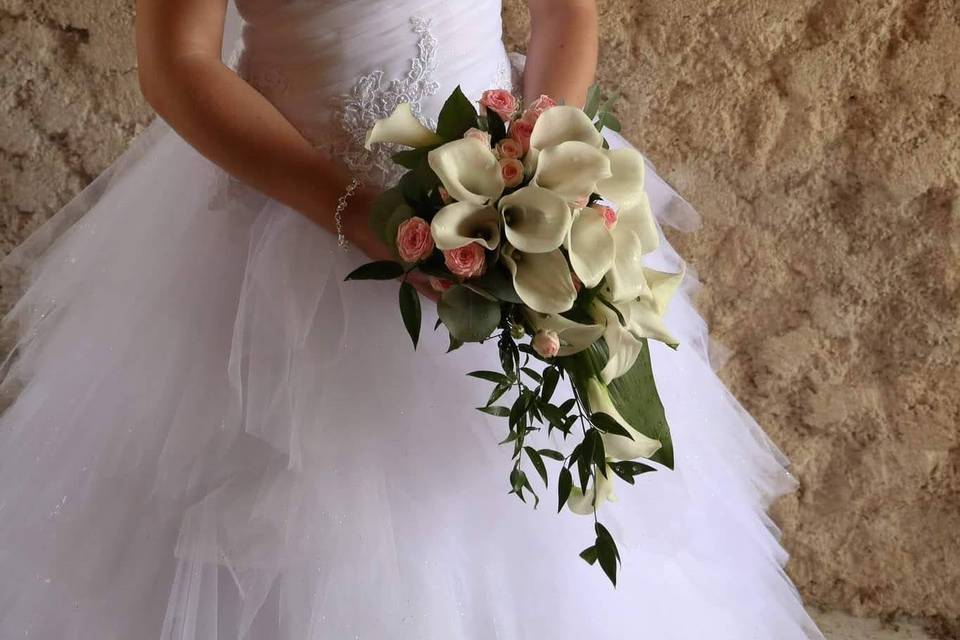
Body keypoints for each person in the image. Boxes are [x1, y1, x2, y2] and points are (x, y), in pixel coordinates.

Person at [0, 0, 824, 637]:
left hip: (504, 209)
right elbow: (176, 62)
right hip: (293, 228)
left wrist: (536, 172)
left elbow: (565, 12)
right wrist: (361, 215)